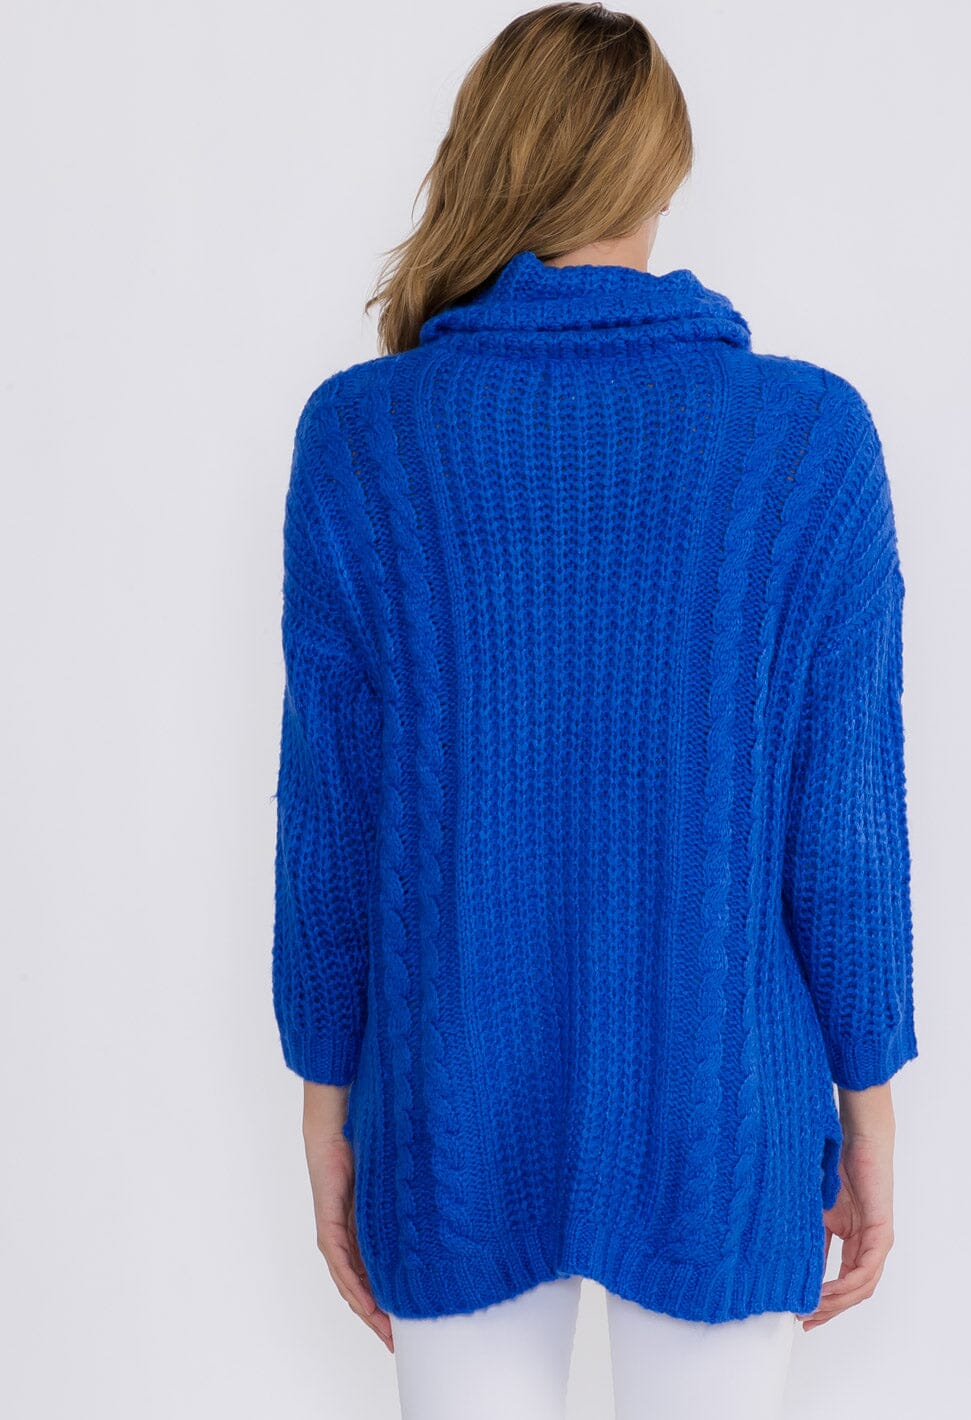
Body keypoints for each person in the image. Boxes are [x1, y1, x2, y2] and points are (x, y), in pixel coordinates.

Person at [271, 5, 919, 1417]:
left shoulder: (363, 437)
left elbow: (331, 830)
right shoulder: (807, 441)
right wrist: (868, 1116)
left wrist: (327, 1114)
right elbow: (846, 838)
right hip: (721, 1105)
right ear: (660, 175)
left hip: (448, 1101)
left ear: (487, 158)